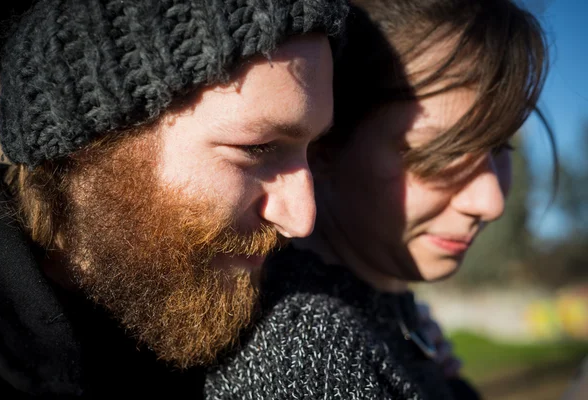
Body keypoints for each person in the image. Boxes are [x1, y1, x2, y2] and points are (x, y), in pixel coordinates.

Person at [0, 0, 349, 398]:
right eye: (258, 148)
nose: (301, 220)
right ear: (90, 144)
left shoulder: (300, 317)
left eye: (311, 149)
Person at [204, 0, 553, 399]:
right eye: (439, 155)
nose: (490, 202)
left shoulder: (385, 323)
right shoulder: (315, 357)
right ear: (325, 147)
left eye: (501, 147)